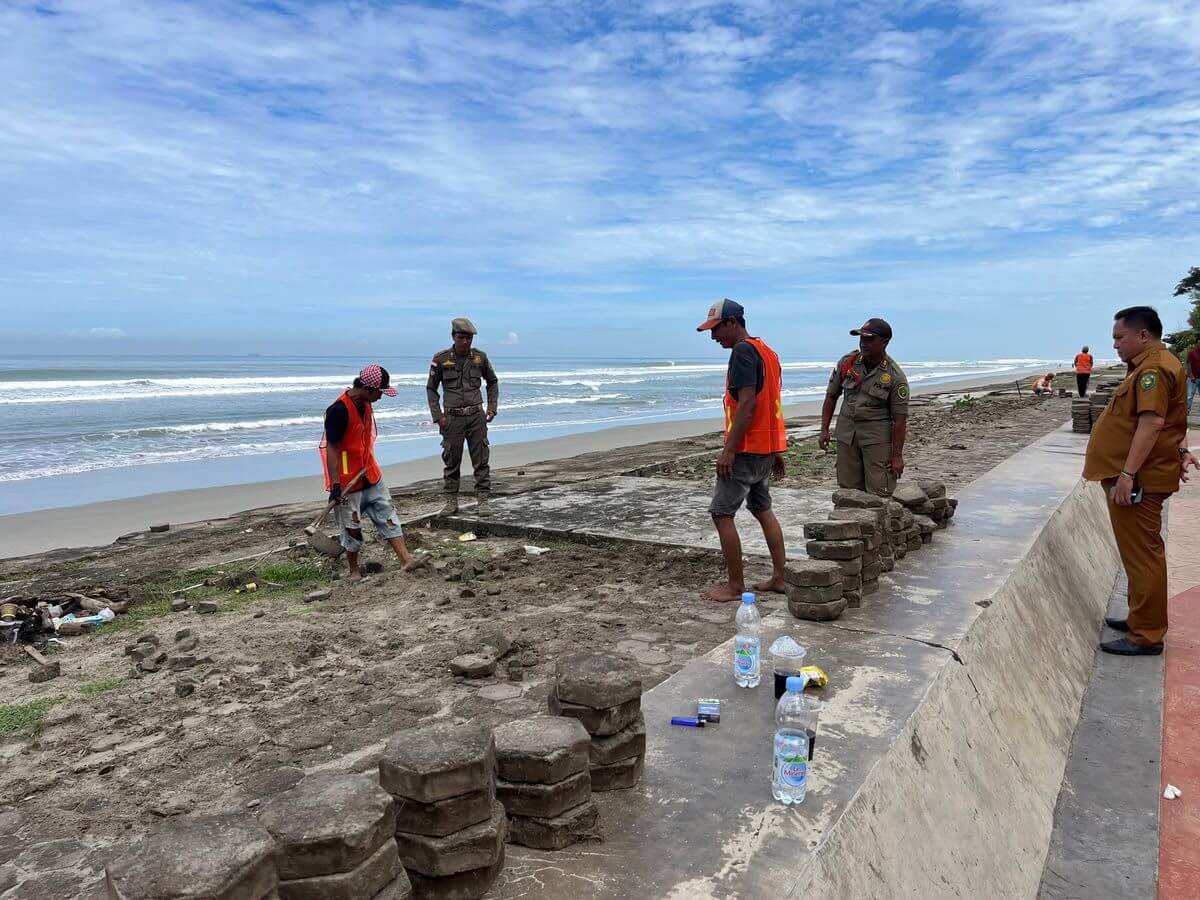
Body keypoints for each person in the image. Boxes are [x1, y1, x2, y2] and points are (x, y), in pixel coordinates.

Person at [1083, 306, 1197, 655]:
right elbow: (1174, 418)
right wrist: (1182, 449)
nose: (1115, 344)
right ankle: (1140, 617)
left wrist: (1127, 474)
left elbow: (1153, 423)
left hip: (1140, 481)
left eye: (1120, 337)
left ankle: (1146, 634)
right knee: (1137, 553)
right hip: (1141, 476)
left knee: (1143, 555)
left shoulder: (1154, 370)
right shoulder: (1154, 364)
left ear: (1143, 335)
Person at [695, 298, 789, 602]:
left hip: (746, 450)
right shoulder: (767, 352)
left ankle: (735, 586)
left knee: (721, 513)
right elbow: (769, 402)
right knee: (762, 509)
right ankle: (780, 577)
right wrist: (775, 450)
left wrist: (729, 450)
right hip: (764, 449)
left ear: (733, 323)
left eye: (716, 329)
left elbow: (748, 404)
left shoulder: (742, 352)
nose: (713, 337)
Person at [322, 364, 420, 579]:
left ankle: (406, 560)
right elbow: (332, 448)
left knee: (388, 516)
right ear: (367, 389)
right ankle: (354, 570)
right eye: (379, 392)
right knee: (352, 527)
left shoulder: (366, 404)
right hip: (348, 483)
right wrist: (336, 485)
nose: (380, 397)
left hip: (370, 474)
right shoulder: (338, 411)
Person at [820, 318, 909, 497]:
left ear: (885, 342)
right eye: (861, 338)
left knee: (879, 492)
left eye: (869, 339)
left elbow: (899, 419)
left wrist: (897, 455)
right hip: (847, 436)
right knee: (848, 491)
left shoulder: (894, 376)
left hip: (876, 440)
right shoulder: (848, 363)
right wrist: (824, 430)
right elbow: (831, 396)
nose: (863, 343)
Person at [427, 318, 499, 517]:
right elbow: (431, 388)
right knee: (451, 461)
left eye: (469, 338)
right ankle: (451, 502)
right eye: (461, 337)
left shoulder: (480, 358)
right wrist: (438, 416)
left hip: (476, 417)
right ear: (453, 337)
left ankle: (483, 501)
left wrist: (492, 407)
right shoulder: (441, 359)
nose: (466, 341)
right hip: (452, 419)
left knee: (481, 460)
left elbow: (492, 382)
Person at [1187, 343, 1200, 413]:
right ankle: (1187, 410)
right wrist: (1191, 375)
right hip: (1193, 378)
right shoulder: (1192, 353)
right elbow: (1188, 364)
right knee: (1190, 395)